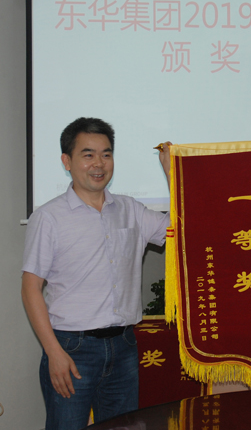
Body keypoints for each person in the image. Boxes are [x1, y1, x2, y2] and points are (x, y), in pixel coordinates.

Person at [21, 117, 172, 430]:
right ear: (67, 161)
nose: (99, 164)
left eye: (106, 154)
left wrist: (173, 174)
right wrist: (53, 352)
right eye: (88, 155)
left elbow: (182, 231)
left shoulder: (131, 209)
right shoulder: (48, 217)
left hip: (124, 347)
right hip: (72, 348)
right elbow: (30, 288)